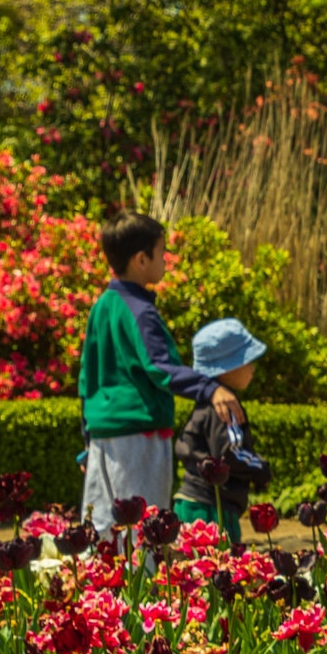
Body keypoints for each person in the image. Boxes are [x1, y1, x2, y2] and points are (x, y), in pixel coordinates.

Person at [78, 214, 240, 534]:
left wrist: (87, 442)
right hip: (140, 438)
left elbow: (87, 380)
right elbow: (159, 367)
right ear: (141, 259)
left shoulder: (101, 306)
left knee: (102, 534)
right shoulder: (140, 311)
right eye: (161, 251)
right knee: (146, 535)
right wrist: (210, 389)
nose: (165, 259)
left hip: (101, 439)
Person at [173, 318, 274, 544]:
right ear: (227, 370)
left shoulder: (207, 404)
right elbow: (230, 454)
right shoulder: (225, 407)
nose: (253, 368)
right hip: (211, 509)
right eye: (247, 361)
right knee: (220, 571)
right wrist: (261, 468)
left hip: (191, 503)